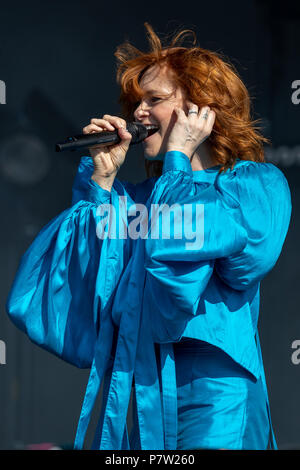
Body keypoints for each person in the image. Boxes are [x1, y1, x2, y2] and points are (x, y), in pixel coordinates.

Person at [6, 23, 292, 450]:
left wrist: (178, 159)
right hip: (139, 392)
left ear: (203, 108)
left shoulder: (253, 185)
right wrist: (99, 184)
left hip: (215, 395)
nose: (138, 112)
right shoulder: (137, 200)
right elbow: (84, 284)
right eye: (136, 102)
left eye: (154, 100)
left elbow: (187, 241)